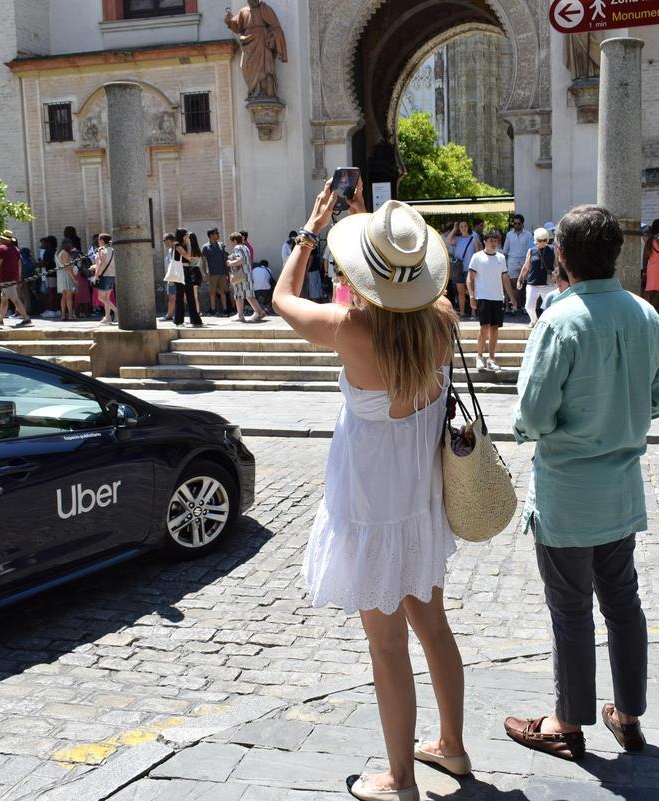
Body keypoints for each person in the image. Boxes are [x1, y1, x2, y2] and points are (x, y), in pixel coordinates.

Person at [274, 180, 466, 801]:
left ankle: (402, 780)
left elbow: (280, 297)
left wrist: (312, 230)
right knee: (433, 628)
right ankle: (453, 748)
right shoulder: (442, 323)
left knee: (387, 650)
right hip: (419, 505)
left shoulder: (349, 330)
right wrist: (370, 232)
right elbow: (409, 296)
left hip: (370, 508)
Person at [506, 205, 659, 762]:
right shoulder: (646, 316)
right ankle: (627, 715)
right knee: (624, 603)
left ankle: (566, 722)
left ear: (561, 257)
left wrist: (548, 427)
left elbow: (533, 413)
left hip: (567, 493)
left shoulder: (559, 319)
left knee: (572, 611)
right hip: (621, 488)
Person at [467, 229, 512, 370]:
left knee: (494, 329)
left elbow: (505, 278)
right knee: (484, 328)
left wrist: (512, 297)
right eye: (491, 240)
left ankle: (491, 359)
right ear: (485, 241)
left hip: (497, 297)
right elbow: (470, 278)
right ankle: (479, 357)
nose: (494, 243)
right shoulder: (477, 257)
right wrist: (472, 296)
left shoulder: (501, 257)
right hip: (483, 297)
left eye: (496, 240)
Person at [0, 230, 33, 328]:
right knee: (4, 299)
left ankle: (26, 318)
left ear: (3, 239)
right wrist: (19, 277)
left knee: (15, 299)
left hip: (6, 278)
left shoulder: (2, 248)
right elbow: (19, 264)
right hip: (13, 278)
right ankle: (0, 320)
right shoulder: (15, 249)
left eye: (0, 238)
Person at [518, 227, 556, 326]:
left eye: (544, 240)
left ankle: (547, 323)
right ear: (535, 240)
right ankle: (534, 320)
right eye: (540, 240)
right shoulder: (531, 251)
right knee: (529, 306)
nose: (542, 242)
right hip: (533, 282)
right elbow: (526, 266)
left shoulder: (552, 249)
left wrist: (558, 275)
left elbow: (557, 264)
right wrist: (520, 278)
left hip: (548, 283)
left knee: (550, 307)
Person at [227, 231, 265, 322]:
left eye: (231, 241)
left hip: (240, 275)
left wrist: (230, 263)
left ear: (235, 241)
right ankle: (259, 312)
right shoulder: (245, 247)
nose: (230, 243)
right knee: (249, 295)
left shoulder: (237, 247)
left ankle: (241, 315)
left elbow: (241, 260)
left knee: (238, 295)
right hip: (247, 274)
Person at [445, 220, 480, 319]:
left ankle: (473, 312)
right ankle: (462, 312)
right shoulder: (458, 239)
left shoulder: (474, 239)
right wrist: (454, 228)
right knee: (460, 291)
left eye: (465, 226)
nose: (463, 228)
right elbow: (448, 240)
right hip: (458, 268)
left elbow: (478, 254)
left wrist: (477, 268)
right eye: (461, 226)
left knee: (471, 290)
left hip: (470, 269)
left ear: (468, 227)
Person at [174, 228, 205, 327]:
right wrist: (189, 245)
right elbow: (187, 256)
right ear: (183, 236)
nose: (188, 237)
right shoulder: (177, 245)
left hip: (187, 271)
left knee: (190, 295)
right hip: (180, 272)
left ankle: (195, 319)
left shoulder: (185, 245)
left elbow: (190, 259)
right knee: (180, 296)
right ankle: (179, 320)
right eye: (186, 235)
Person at [503, 214, 533, 314]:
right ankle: (514, 306)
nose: (516, 225)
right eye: (514, 223)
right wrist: (504, 264)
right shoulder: (509, 234)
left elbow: (532, 250)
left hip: (524, 260)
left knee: (524, 286)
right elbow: (505, 250)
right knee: (513, 285)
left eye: (518, 223)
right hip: (512, 261)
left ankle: (524, 306)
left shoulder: (528, 235)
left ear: (522, 223)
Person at [91, 233, 118, 325]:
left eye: (99, 239)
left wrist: (96, 275)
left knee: (101, 297)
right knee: (107, 298)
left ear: (102, 240)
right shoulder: (112, 250)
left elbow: (101, 264)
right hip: (112, 275)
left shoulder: (101, 250)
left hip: (104, 275)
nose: (98, 241)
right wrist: (95, 266)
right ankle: (107, 317)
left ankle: (116, 311)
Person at [203, 228, 231, 315]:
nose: (218, 235)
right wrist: (205, 273)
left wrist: (228, 272)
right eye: (216, 233)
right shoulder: (205, 247)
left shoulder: (222, 245)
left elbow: (226, 257)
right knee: (212, 292)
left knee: (223, 291)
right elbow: (203, 261)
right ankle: (213, 309)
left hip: (222, 273)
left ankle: (225, 309)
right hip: (212, 273)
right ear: (211, 235)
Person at [56, 238, 79, 321]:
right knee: (69, 296)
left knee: (63, 296)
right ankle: (70, 315)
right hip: (66, 276)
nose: (71, 246)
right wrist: (74, 280)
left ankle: (63, 315)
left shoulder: (58, 253)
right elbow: (68, 268)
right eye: (70, 244)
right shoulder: (65, 253)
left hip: (60, 275)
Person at [161, 233, 181, 321]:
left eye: (165, 241)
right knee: (172, 297)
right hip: (171, 277)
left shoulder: (175, 249)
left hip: (174, 277)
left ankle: (170, 315)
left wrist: (173, 278)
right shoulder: (170, 250)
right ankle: (170, 314)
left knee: (173, 297)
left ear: (170, 240)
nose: (164, 243)